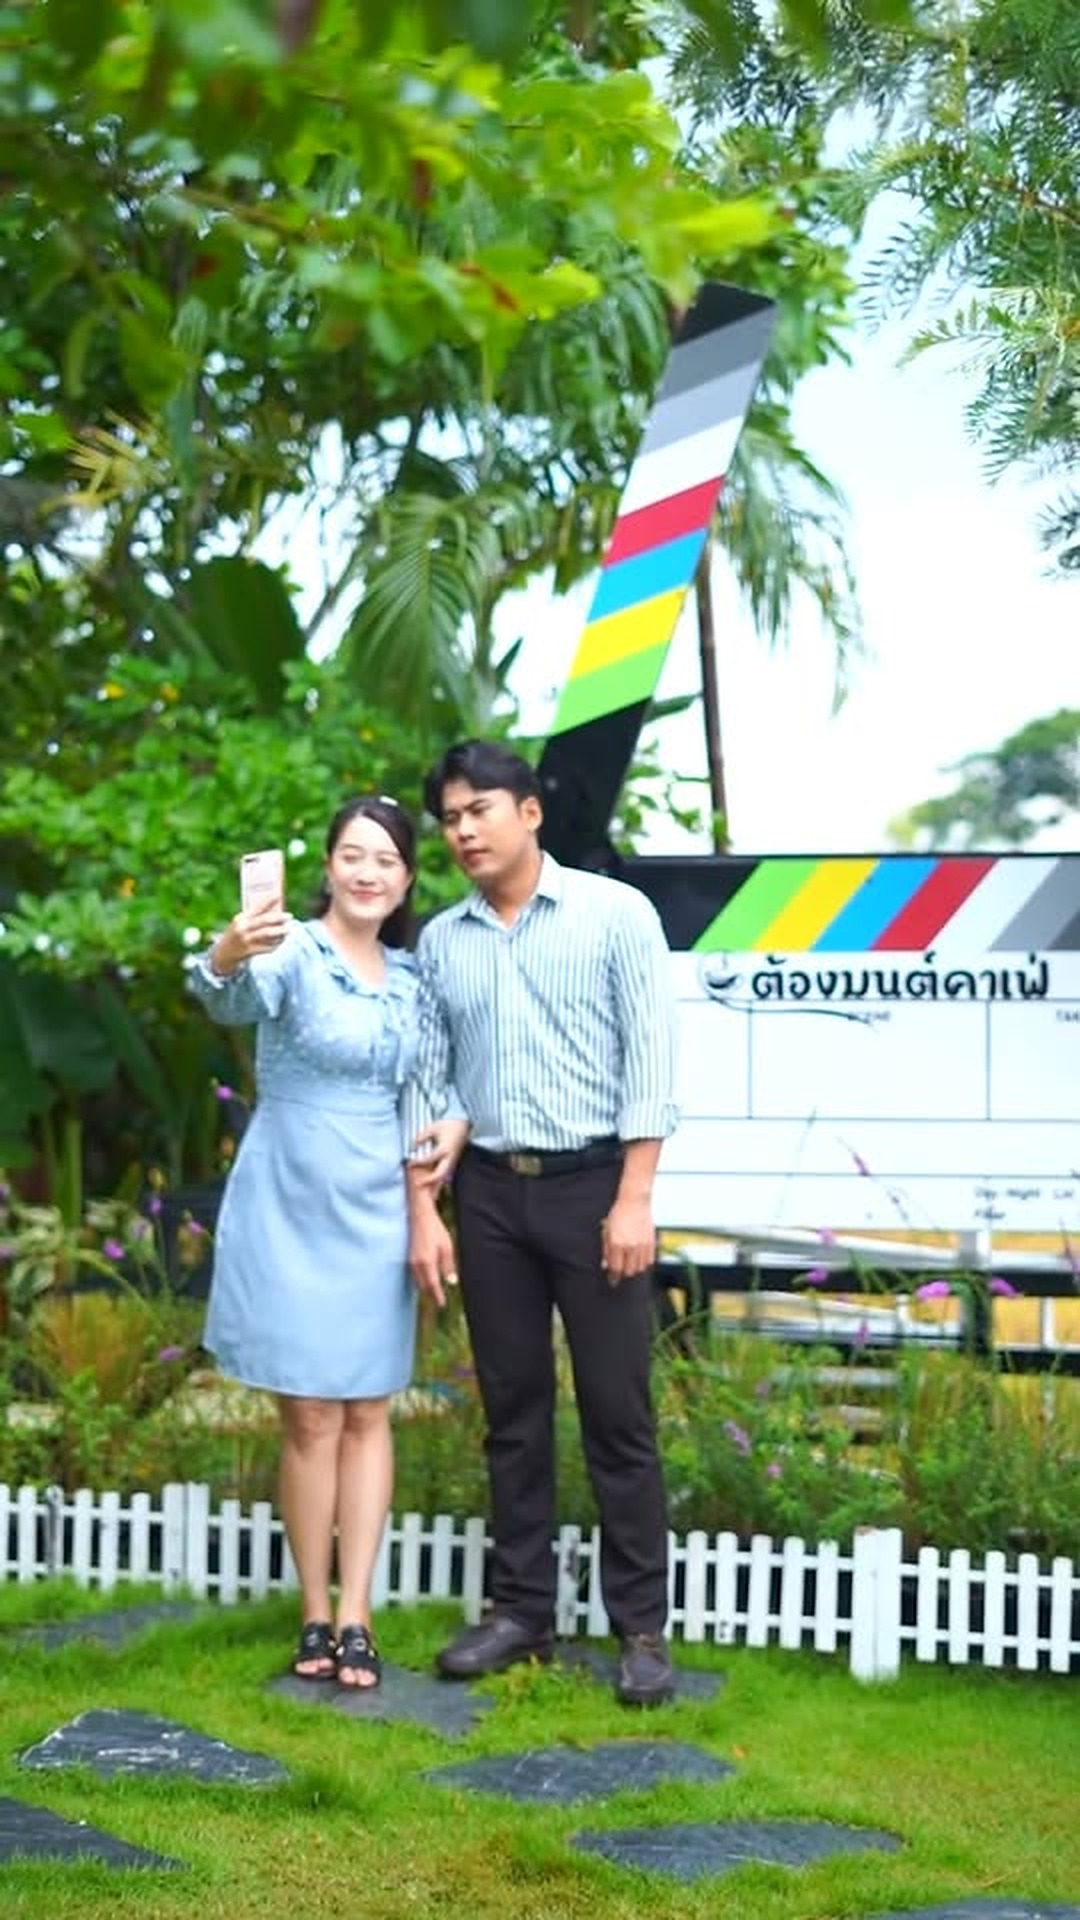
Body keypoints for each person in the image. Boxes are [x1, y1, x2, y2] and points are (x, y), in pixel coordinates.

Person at [404, 740, 680, 1707]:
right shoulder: (443, 941)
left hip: (594, 1186)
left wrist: (634, 1198)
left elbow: (651, 1058)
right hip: (489, 1195)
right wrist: (429, 1194)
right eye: (449, 818)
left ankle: (640, 1629)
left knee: (617, 1413)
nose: (463, 830)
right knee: (512, 1414)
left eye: (479, 809)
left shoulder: (615, 915)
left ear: (529, 813)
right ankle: (521, 1612)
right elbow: (432, 1075)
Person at [189, 796, 465, 1689]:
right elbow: (229, 998)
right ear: (329, 866)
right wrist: (229, 949)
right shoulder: (292, 951)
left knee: (369, 1409)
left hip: (378, 1201)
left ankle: (357, 1615)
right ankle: (314, 1608)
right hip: (288, 1194)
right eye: (353, 854)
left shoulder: (415, 979)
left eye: (385, 859)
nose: (367, 872)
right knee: (309, 1413)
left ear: (407, 879)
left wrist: (435, 1178)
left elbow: (432, 1090)